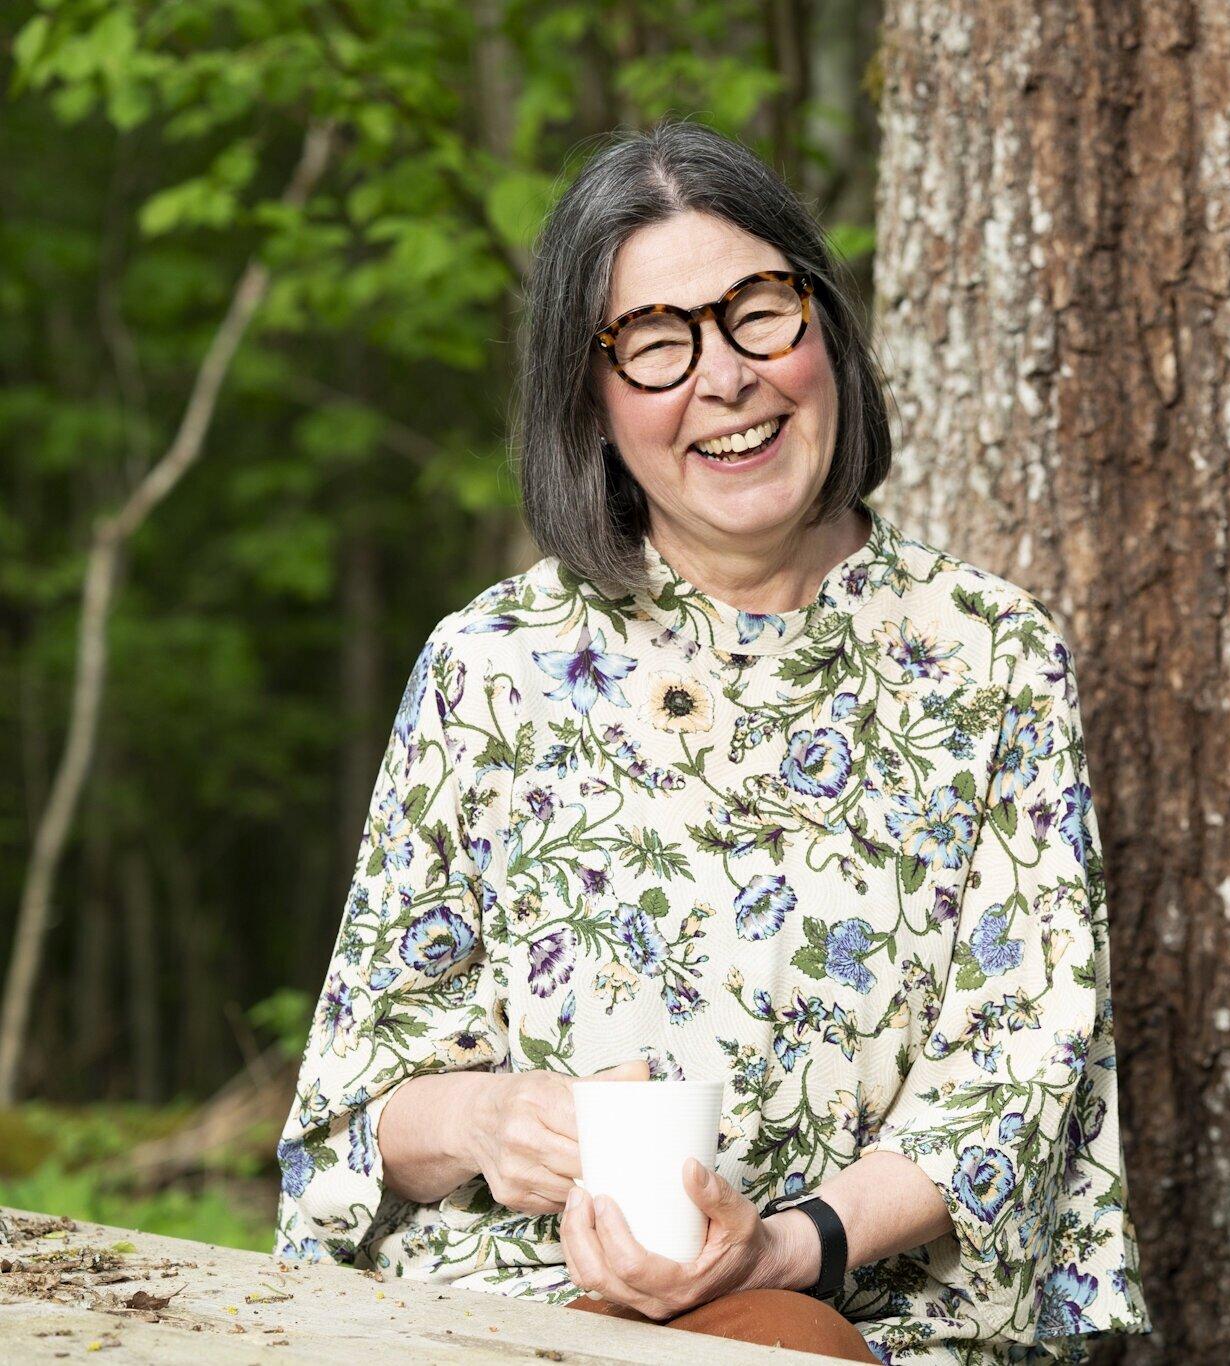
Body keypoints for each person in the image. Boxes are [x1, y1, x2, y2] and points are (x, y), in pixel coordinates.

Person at [274, 117, 1150, 1365]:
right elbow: (359, 1112)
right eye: (654, 343)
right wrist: (489, 1118)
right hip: (505, 1311)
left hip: (854, 1313)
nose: (724, 377)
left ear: (823, 330)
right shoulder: (493, 664)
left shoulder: (989, 653)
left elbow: (1016, 1077)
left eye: (757, 311)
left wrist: (780, 1251)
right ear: (589, 396)